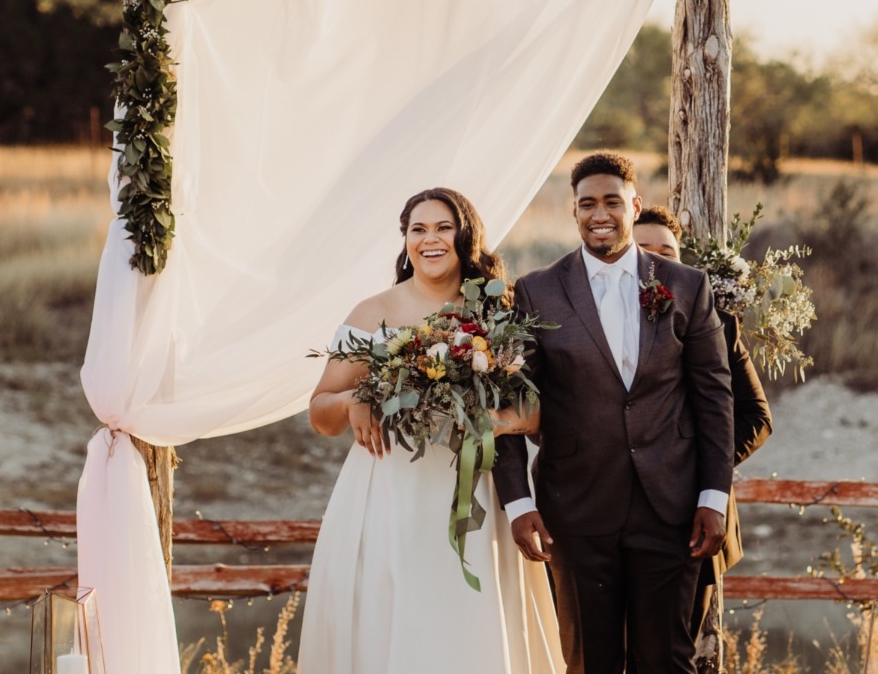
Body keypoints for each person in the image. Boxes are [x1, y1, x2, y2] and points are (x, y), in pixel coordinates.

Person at [297, 187, 565, 674]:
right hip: (386, 496)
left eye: (443, 227)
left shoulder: (497, 313)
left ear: (466, 236)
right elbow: (320, 412)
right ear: (405, 241)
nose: (430, 239)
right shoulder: (370, 312)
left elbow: (538, 410)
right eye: (418, 229)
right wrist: (353, 400)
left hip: (473, 492)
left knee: (468, 628)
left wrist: (492, 420)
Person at [493, 152, 734, 674]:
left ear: (635, 205)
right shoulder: (538, 291)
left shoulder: (686, 286)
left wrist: (713, 496)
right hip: (574, 510)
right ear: (573, 211)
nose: (599, 214)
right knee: (589, 664)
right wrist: (517, 502)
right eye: (587, 204)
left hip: (671, 508)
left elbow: (714, 398)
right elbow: (505, 401)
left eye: (611, 201)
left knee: (667, 660)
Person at [634, 205, 772, 643]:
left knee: (672, 653)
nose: (656, 262)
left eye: (668, 252)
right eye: (642, 250)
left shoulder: (718, 323)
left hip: (691, 518)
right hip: (603, 519)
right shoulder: (589, 325)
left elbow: (756, 417)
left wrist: (696, 464)